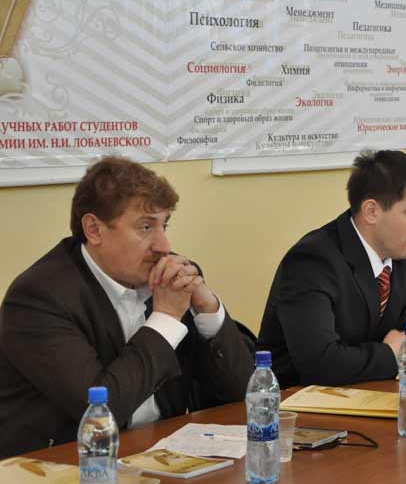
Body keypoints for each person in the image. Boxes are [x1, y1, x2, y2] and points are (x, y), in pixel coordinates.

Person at [0, 157, 254, 458]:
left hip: (156, 456)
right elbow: (100, 412)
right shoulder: (39, 298)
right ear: (94, 229)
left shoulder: (166, 278)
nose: (163, 245)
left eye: (164, 225)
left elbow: (244, 394)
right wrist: (166, 320)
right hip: (58, 468)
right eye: (145, 227)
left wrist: (207, 309)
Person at [257, 150, 406, 387]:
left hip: (370, 389)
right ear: (371, 212)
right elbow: (320, 364)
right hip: (292, 400)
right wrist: (389, 354)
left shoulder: (403, 257)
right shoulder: (312, 261)